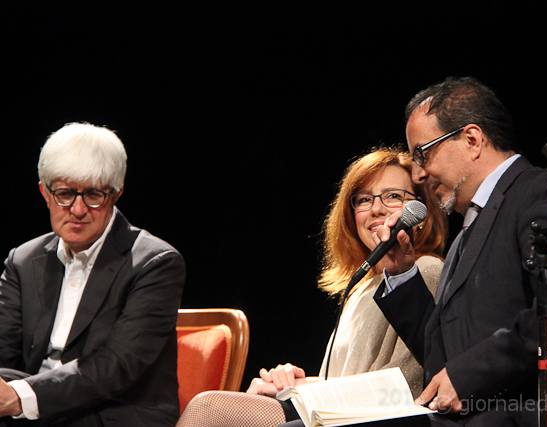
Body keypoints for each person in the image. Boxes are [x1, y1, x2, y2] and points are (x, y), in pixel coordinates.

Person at [370, 77, 547, 426]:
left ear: (472, 140)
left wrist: (467, 376)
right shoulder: (468, 231)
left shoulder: (542, 193)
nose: (418, 174)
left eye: (422, 153)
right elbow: (443, 356)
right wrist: (402, 273)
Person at [176, 147, 447, 427]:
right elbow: (344, 381)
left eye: (393, 196)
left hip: (377, 420)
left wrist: (303, 389)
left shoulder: (425, 270)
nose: (376, 209)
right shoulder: (361, 287)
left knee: (208, 408)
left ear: (420, 213)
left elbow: (405, 383)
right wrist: (290, 382)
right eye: (364, 199)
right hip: (340, 414)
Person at [0, 122, 186, 427]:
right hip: (37, 410)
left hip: (114, 411)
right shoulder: (23, 260)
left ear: (116, 194)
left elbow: (117, 365)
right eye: (64, 194)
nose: (77, 209)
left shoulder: (155, 263)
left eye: (93, 195)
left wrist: (21, 397)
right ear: (45, 192)